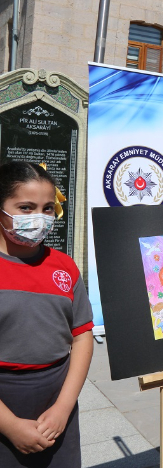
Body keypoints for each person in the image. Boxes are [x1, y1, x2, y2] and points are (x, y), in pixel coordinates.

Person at [0, 161, 94, 467]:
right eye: (25, 208)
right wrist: (10, 425)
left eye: (48, 208)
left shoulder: (64, 267)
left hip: (56, 399)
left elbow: (81, 336)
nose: (38, 218)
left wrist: (63, 408)